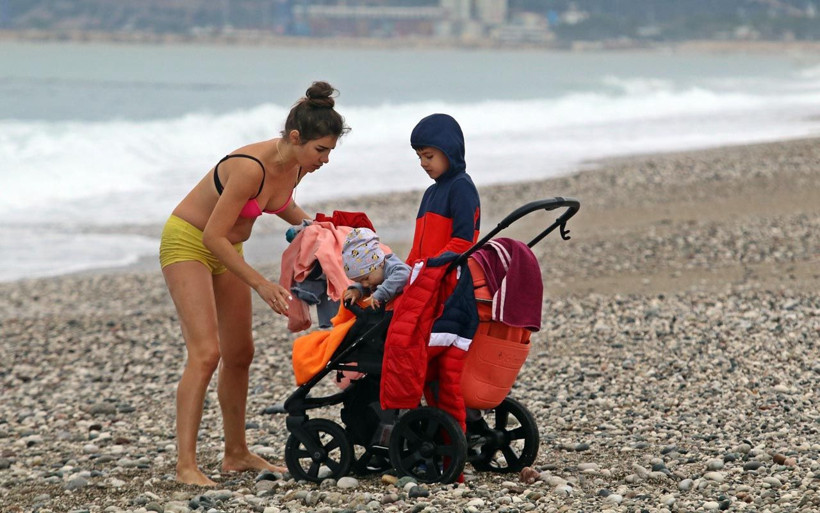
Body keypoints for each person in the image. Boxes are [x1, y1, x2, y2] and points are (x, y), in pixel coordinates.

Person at [159, 81, 350, 486]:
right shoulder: (251, 166)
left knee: (240, 353)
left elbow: (283, 206)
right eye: (321, 150)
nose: (326, 159)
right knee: (206, 353)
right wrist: (262, 285)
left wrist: (327, 235)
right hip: (190, 242)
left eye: (331, 150)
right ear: (295, 138)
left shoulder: (296, 166)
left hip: (228, 249)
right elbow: (213, 235)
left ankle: (236, 454)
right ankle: (186, 466)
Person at [406, 113, 480, 265]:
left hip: (448, 279)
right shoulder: (429, 193)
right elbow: (416, 250)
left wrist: (429, 267)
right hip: (427, 276)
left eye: (429, 156)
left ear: (450, 151)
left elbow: (463, 242)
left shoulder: (461, 186)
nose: (423, 163)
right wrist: (407, 273)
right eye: (419, 157)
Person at [341, 227, 411, 308]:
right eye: (360, 281)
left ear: (380, 263)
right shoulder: (375, 275)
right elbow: (369, 287)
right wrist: (357, 290)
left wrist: (380, 293)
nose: (365, 285)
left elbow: (404, 275)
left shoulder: (393, 266)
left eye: (366, 278)